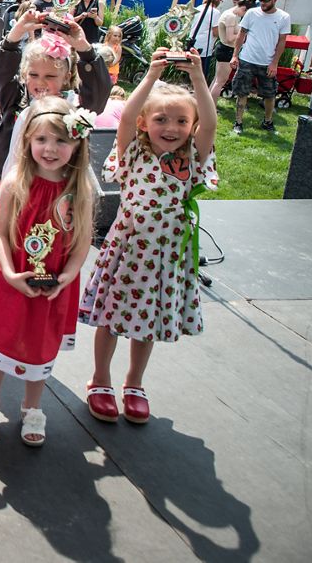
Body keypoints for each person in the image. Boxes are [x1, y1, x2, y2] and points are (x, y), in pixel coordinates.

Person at [80, 51, 217, 424]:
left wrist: (200, 80)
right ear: (144, 123)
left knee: (148, 323)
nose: (171, 127)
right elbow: (125, 116)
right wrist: (153, 74)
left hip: (167, 255)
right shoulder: (135, 152)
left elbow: (210, 126)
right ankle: (100, 379)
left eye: (181, 121)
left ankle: (135, 383)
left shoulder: (193, 156)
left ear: (191, 125)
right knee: (111, 318)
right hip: (128, 251)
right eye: (161, 119)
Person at [0, 96, 96, 446]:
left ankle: (32, 406)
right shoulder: (15, 183)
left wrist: (68, 275)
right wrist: (9, 273)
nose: (50, 149)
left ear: (77, 143)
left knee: (40, 345)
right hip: (12, 277)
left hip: (52, 284)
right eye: (41, 140)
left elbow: (83, 238)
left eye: (60, 141)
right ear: (28, 141)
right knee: (0, 339)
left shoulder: (79, 190)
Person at [0, 11, 110, 259]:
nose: (40, 82)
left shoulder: (73, 108)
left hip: (53, 194)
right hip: (14, 190)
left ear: (66, 76)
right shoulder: (16, 101)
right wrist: (16, 34)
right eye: (34, 75)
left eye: (50, 76)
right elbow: (2, 75)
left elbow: (97, 97)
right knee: (8, 253)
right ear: (25, 75)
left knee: (44, 254)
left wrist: (83, 47)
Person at [231, 0, 290, 134]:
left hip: (267, 63)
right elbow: (241, 35)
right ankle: (238, 122)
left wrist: (274, 63)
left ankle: (268, 122)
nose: (262, 3)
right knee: (242, 93)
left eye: (265, 0)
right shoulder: (252, 13)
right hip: (247, 59)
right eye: (260, 0)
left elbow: (282, 42)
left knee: (270, 94)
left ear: (274, 0)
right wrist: (235, 55)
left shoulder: (283, 17)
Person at [211, 0, 249, 101]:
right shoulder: (231, 16)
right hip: (226, 50)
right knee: (220, 82)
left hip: (224, 49)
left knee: (216, 80)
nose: (244, 14)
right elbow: (229, 38)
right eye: (244, 11)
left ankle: (207, 103)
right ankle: (212, 106)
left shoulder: (230, 14)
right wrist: (244, 35)